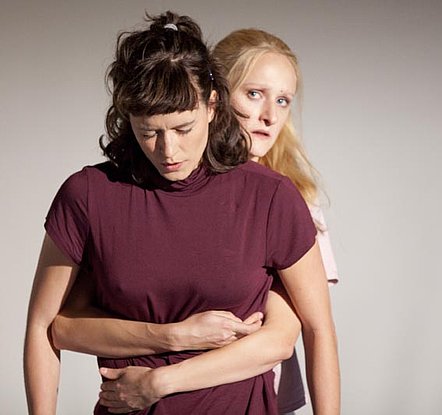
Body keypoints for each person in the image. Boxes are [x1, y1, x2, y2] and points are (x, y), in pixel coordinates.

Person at [24, 11, 340, 415]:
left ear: (212, 106)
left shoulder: (272, 197)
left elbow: (308, 331)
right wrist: (175, 336)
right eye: (148, 132)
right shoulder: (88, 195)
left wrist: (160, 381)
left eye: (183, 129)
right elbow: (49, 327)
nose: (168, 151)